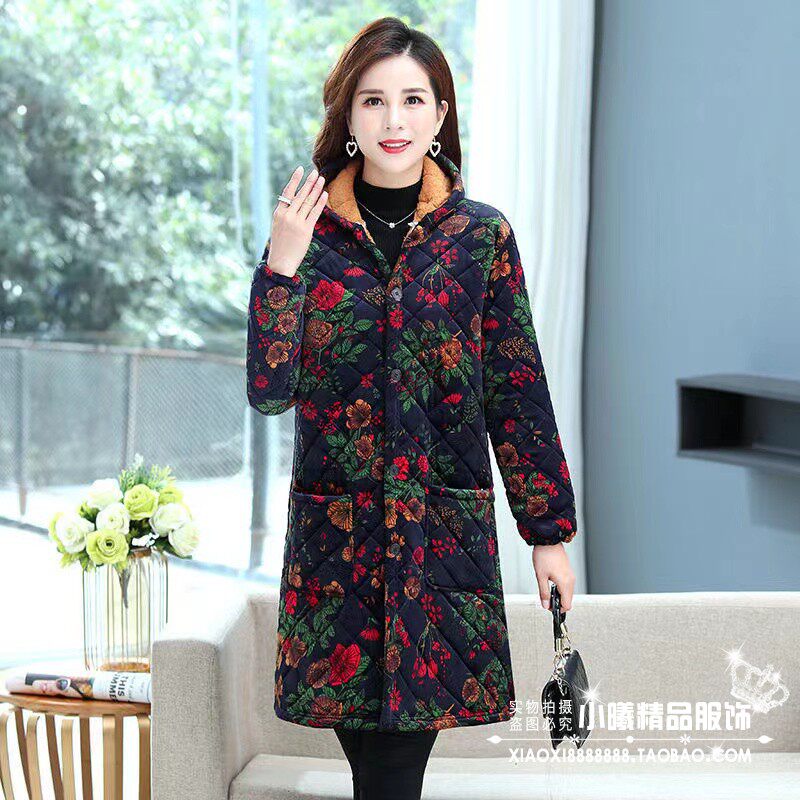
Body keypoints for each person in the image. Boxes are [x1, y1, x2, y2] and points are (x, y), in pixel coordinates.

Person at [246, 16, 577, 800]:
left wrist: (549, 535)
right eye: (373, 100)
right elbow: (270, 392)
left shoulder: (481, 238)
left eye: (413, 99)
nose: (393, 119)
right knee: (379, 768)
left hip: (439, 540)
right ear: (348, 116)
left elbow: (516, 391)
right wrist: (282, 271)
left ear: (439, 115)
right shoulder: (307, 235)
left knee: (393, 770)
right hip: (339, 547)